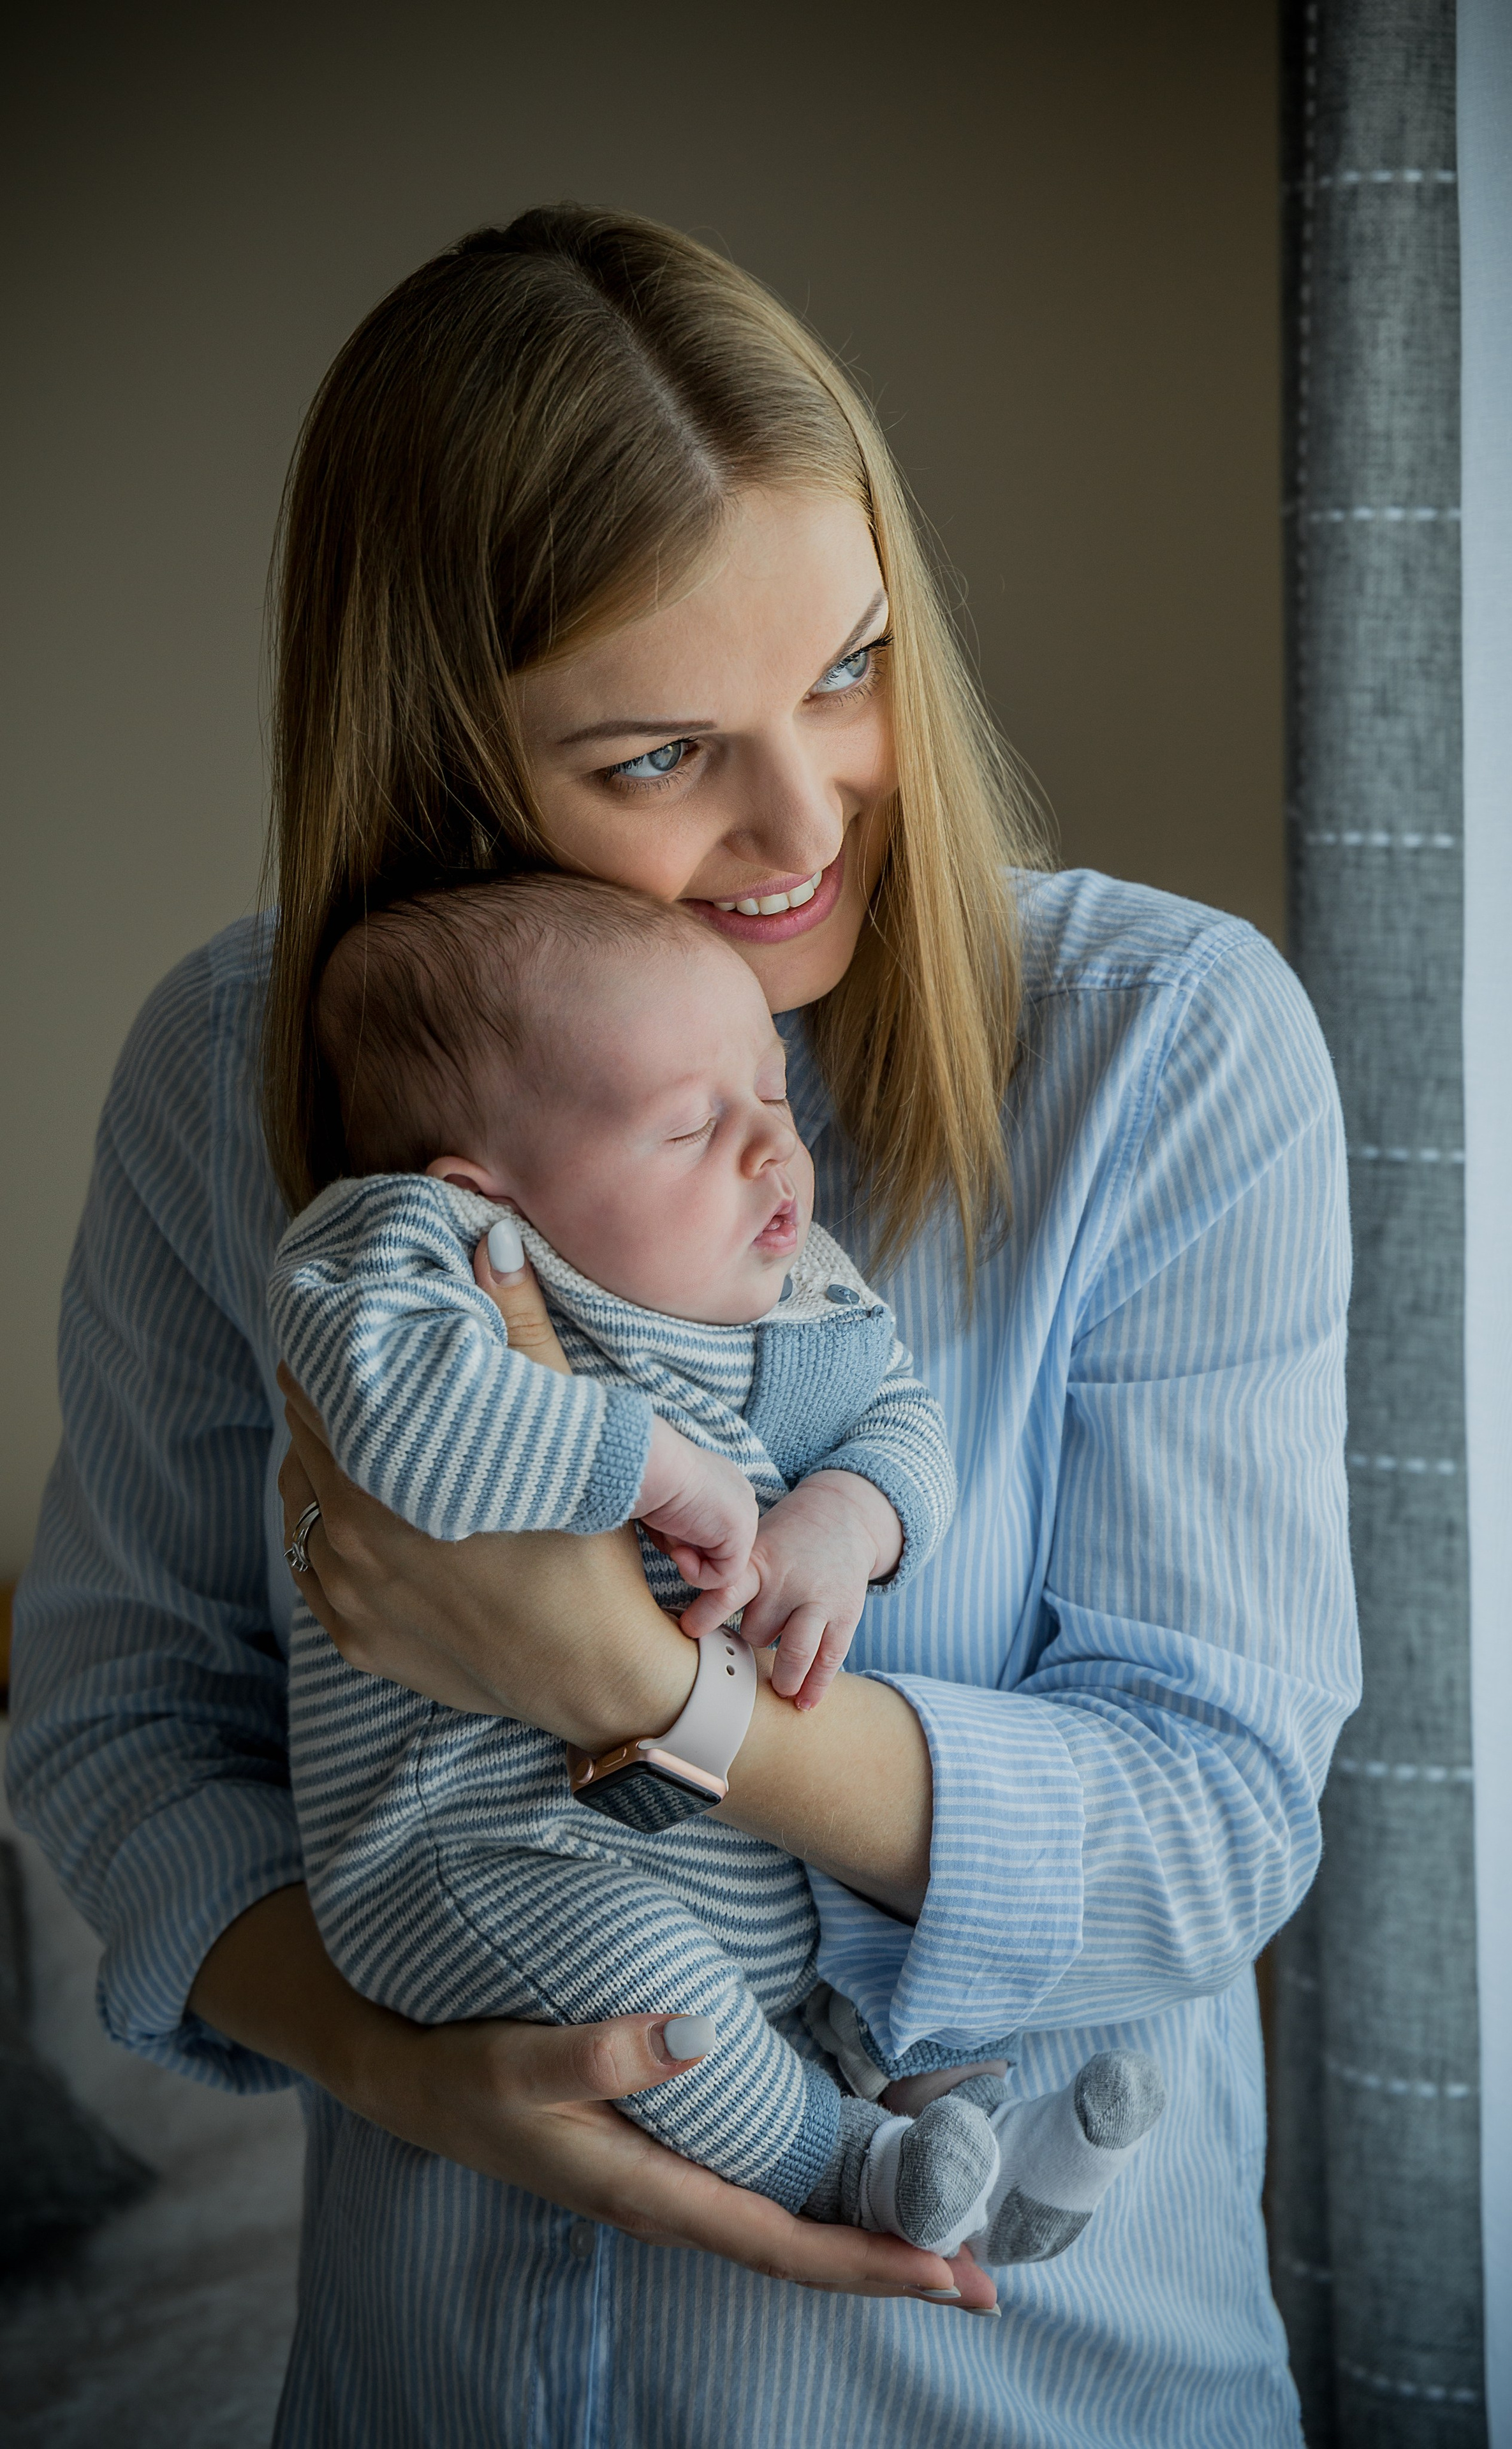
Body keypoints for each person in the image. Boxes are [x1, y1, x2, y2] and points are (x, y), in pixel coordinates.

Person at [8, 203, 1359, 2445]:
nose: (802, 819)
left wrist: (648, 1686)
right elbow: (124, 1728)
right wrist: (403, 2068)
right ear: (443, 758)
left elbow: (1211, 1824)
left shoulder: (1164, 1050)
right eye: (656, 756)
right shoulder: (234, 1076)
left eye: (848, 668)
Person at [270, 867, 1168, 2263]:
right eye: (693, 1126)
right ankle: (844, 2168)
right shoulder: (414, 1249)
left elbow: (897, 1414)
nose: (772, 1155)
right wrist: (647, 1465)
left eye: (772, 1096)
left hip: (714, 1837)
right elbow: (400, 1414)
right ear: (485, 1187)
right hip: (479, 1853)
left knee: (867, 1918)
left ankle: (986, 2140)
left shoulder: (787, 1286)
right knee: (647, 1986)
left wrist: (848, 1518)